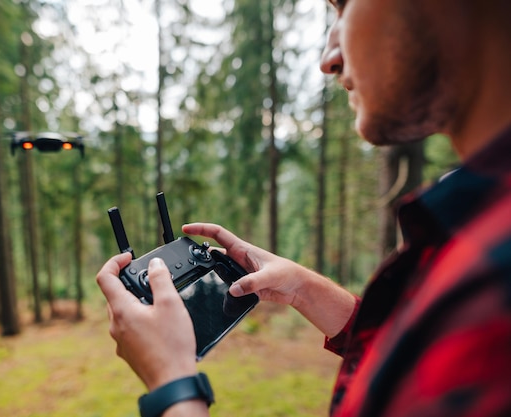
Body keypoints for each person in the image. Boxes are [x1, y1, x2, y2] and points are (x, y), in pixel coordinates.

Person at [96, 0, 511, 415]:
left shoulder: (492, 282)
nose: (328, 60)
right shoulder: (480, 234)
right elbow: (418, 356)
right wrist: (306, 291)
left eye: (344, 7)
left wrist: (172, 384)